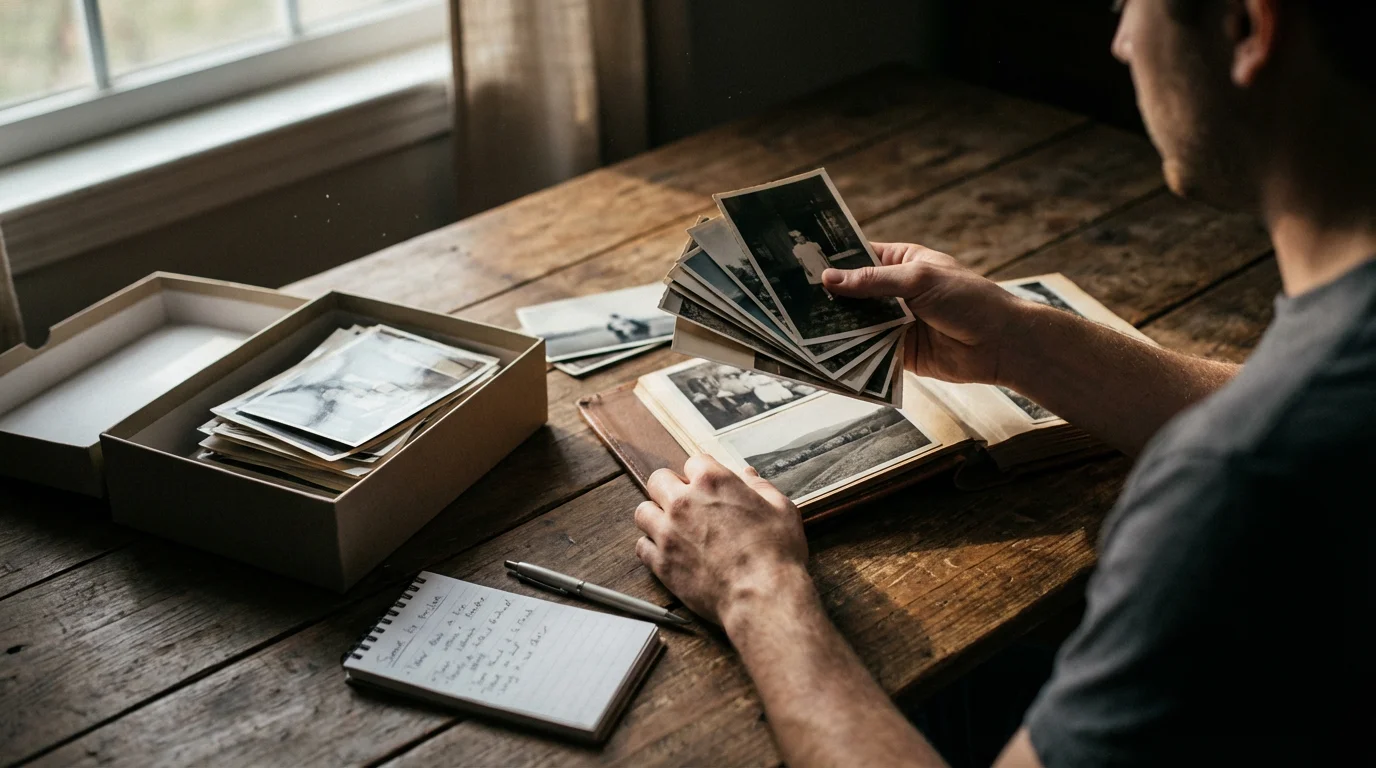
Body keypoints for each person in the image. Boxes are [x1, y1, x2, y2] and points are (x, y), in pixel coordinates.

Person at [631, 2, 1373, 766]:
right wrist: (1020, 342)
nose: (1119, 42)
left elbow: (1279, 442)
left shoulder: (1234, 489)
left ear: (1248, 28)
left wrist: (758, 588)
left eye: (1127, 4)